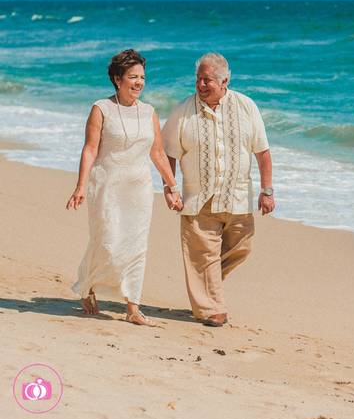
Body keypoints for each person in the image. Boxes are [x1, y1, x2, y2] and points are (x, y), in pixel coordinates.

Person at [66, 49, 183, 326]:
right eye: (133, 77)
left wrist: (172, 185)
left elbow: (157, 152)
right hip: (106, 186)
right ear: (118, 79)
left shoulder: (149, 112)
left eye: (142, 77)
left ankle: (133, 306)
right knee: (107, 242)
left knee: (135, 246)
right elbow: (90, 149)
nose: (139, 82)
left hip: (138, 189)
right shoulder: (101, 109)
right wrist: (81, 186)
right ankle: (88, 285)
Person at [161, 52, 274, 327]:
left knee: (242, 247)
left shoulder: (246, 106)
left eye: (207, 80)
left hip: (237, 197)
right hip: (198, 199)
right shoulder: (183, 111)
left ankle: (205, 282)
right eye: (198, 79)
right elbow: (168, 153)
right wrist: (170, 187)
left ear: (225, 81)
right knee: (202, 254)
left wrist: (267, 190)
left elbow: (262, 151)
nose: (201, 85)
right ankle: (212, 309)